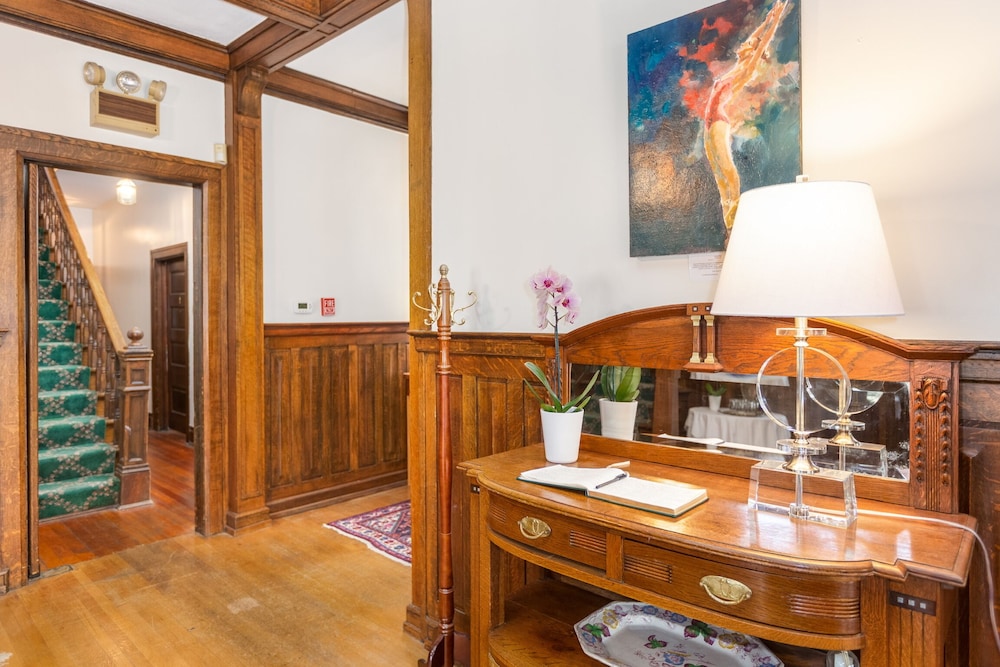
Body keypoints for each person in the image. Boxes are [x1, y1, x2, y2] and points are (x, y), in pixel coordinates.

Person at [703, 1, 790, 238]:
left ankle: (736, 221)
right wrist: (767, 19)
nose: (746, 42)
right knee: (719, 178)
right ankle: (729, 228)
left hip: (718, 122)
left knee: (728, 172)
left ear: (753, 53)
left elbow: (761, 43)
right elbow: (755, 39)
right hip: (709, 124)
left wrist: (775, 20)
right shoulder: (737, 65)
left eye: (750, 45)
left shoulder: (746, 69)